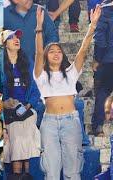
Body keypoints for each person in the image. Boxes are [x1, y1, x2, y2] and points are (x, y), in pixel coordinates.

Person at [34, 6, 101, 180]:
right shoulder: (40, 75)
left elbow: (83, 49)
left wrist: (92, 25)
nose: (56, 53)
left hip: (71, 121)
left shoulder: (71, 73)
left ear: (63, 56)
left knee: (73, 170)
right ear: (46, 56)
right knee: (52, 171)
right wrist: (39, 29)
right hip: (49, 123)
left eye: (59, 51)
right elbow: (38, 52)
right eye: (52, 51)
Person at [0, 29, 41, 177]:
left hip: (26, 109)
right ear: (4, 44)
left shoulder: (26, 61)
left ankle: (22, 175)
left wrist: (28, 105)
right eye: (11, 37)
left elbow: (35, 89)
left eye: (17, 37)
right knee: (17, 133)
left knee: (26, 125)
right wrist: (4, 103)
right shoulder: (0, 64)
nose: (16, 39)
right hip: (8, 112)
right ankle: (21, 174)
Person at [91, 0, 113, 136]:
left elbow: (100, 39)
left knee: (103, 91)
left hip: (108, 60)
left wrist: (97, 59)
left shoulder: (104, 11)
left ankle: (98, 126)